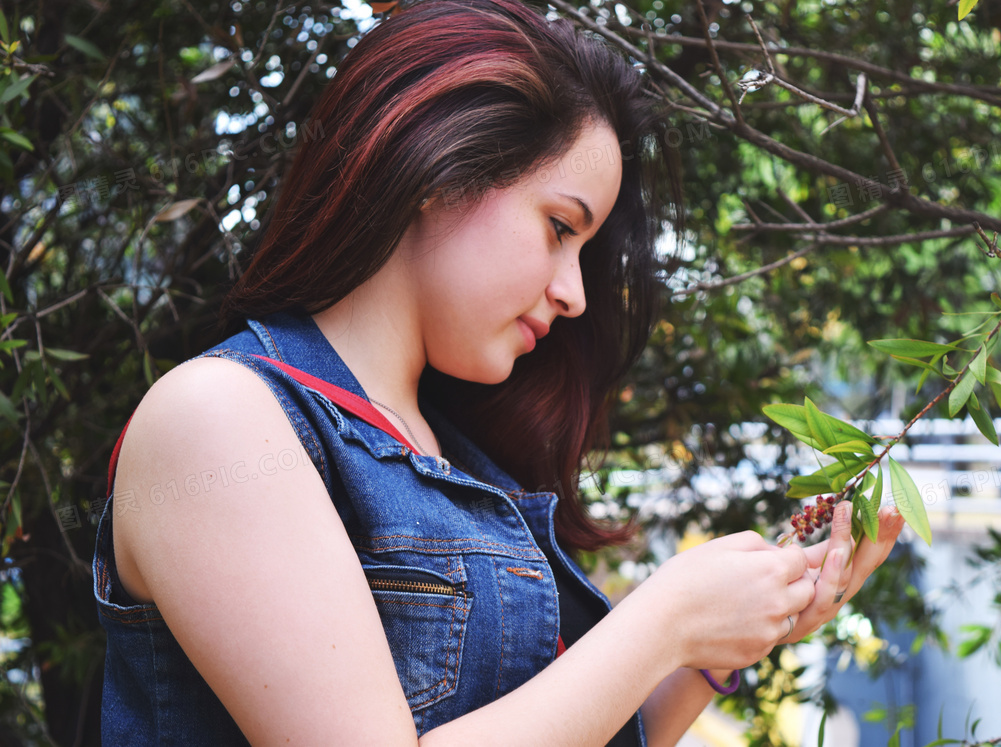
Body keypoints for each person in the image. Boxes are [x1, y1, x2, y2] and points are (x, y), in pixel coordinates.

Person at [92, 0, 905, 744]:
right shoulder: (219, 422)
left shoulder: (456, 454)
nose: (575, 293)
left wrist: (737, 626)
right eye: (559, 226)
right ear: (440, 172)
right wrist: (664, 619)